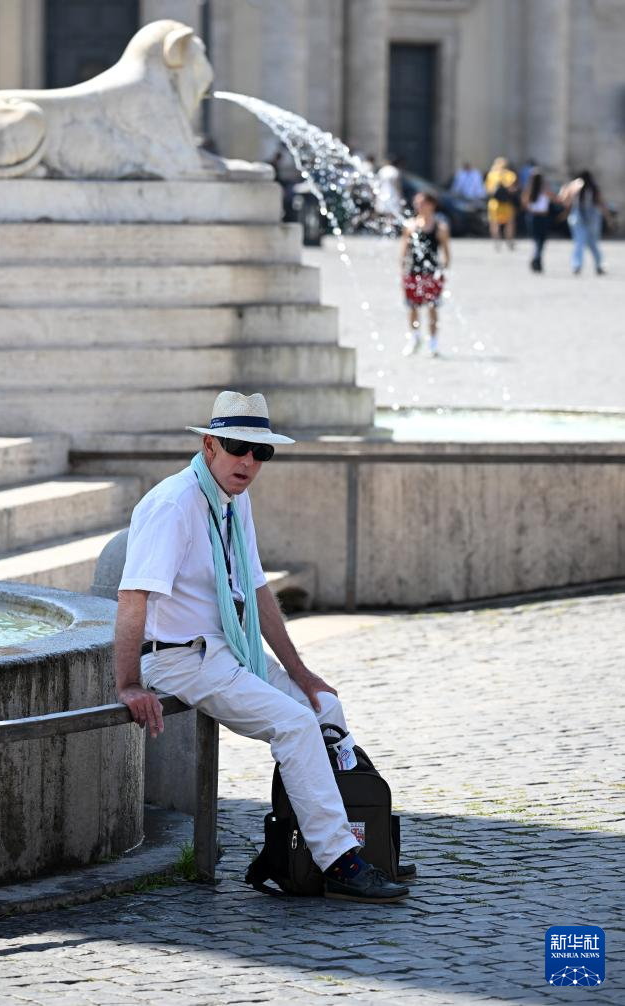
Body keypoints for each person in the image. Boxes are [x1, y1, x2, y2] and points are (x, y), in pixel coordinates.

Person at [114, 390, 414, 904]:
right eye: (237, 447)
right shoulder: (173, 505)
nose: (248, 462)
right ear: (209, 446)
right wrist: (128, 684)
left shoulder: (234, 501)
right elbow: (132, 596)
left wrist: (301, 673)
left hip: (230, 648)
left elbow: (255, 590)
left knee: (323, 706)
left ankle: (349, 843)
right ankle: (339, 861)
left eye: (261, 452)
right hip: (180, 658)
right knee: (294, 725)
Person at [400, 191, 451, 358]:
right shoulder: (410, 226)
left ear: (431, 205)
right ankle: (414, 338)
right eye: (417, 203)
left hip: (432, 273)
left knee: (432, 307)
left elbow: (446, 253)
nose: (418, 206)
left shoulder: (440, 227)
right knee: (412, 307)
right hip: (413, 272)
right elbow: (404, 251)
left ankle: (433, 342)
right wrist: (402, 271)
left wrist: (442, 271)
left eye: (422, 203)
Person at [558, 170, 612, 275]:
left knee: (579, 242)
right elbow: (601, 203)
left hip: (578, 217)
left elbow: (565, 201)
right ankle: (600, 265)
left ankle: (577, 265)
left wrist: (564, 189)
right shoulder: (594, 187)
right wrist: (608, 218)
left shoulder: (575, 185)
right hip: (593, 218)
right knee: (593, 243)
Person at [521, 167, 556, 273]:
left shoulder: (529, 189)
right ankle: (537, 259)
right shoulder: (544, 188)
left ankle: (537, 260)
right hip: (542, 216)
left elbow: (524, 203)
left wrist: (531, 209)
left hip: (532, 216)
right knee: (541, 240)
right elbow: (554, 198)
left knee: (537, 239)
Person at [485, 156, 519, 249]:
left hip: (494, 203)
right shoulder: (510, 175)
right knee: (509, 223)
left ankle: (497, 241)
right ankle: (509, 241)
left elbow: (488, 190)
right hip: (507, 203)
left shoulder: (491, 175)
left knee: (494, 223)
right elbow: (512, 189)